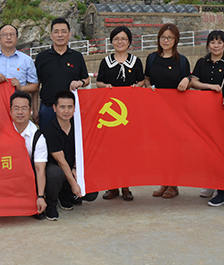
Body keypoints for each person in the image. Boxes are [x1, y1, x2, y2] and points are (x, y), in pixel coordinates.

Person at [190, 30, 224, 198]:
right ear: (208, 45)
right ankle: (210, 183)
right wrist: (209, 87)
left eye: (219, 42)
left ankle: (223, 184)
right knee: (206, 147)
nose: (216, 45)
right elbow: (193, 82)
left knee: (223, 148)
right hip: (204, 111)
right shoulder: (201, 62)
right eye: (212, 42)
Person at [96, 26, 144, 202]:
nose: (120, 42)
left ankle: (126, 186)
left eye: (124, 39)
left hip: (130, 114)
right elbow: (99, 82)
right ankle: (112, 186)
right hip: (111, 114)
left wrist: (136, 87)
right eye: (116, 39)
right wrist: (105, 87)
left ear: (129, 41)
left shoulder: (136, 61)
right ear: (111, 42)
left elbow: (142, 81)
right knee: (111, 150)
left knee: (128, 150)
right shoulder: (106, 62)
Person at [144, 23, 191, 199]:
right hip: (157, 110)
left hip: (176, 112)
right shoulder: (151, 58)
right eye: (163, 37)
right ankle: (165, 181)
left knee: (174, 148)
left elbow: (188, 80)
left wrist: (187, 79)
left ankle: (174, 183)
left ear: (176, 40)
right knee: (161, 148)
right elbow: (147, 78)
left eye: (170, 37)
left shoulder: (182, 61)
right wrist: (148, 87)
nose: (166, 40)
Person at [42, 90, 97, 221]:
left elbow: (81, 151)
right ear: (54, 108)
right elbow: (61, 162)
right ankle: (51, 203)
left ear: (74, 108)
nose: (66, 111)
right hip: (54, 170)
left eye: (70, 107)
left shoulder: (79, 127)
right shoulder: (49, 130)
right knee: (56, 174)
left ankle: (65, 195)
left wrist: (76, 168)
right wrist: (74, 184)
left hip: (71, 167)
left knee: (92, 194)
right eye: (62, 107)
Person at [33, 18, 90, 130]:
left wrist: (80, 82)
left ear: (69, 34)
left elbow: (86, 80)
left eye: (63, 31)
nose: (60, 35)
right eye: (56, 32)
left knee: (71, 139)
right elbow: (36, 85)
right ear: (51, 35)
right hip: (47, 109)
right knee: (46, 139)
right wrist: (35, 109)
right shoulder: (42, 57)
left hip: (71, 110)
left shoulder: (77, 56)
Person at [9, 90, 47, 219]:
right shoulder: (2, 132)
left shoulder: (37, 137)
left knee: (53, 174)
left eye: (24, 108)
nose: (20, 112)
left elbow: (40, 169)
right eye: (16, 108)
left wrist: (40, 196)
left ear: (30, 111)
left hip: (29, 173)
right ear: (10, 111)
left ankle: (40, 203)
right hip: (9, 172)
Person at [0, 24, 38, 93]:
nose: (9, 37)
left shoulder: (26, 60)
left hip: (18, 99)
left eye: (12, 34)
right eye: (5, 35)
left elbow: (34, 86)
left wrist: (21, 88)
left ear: (16, 38)